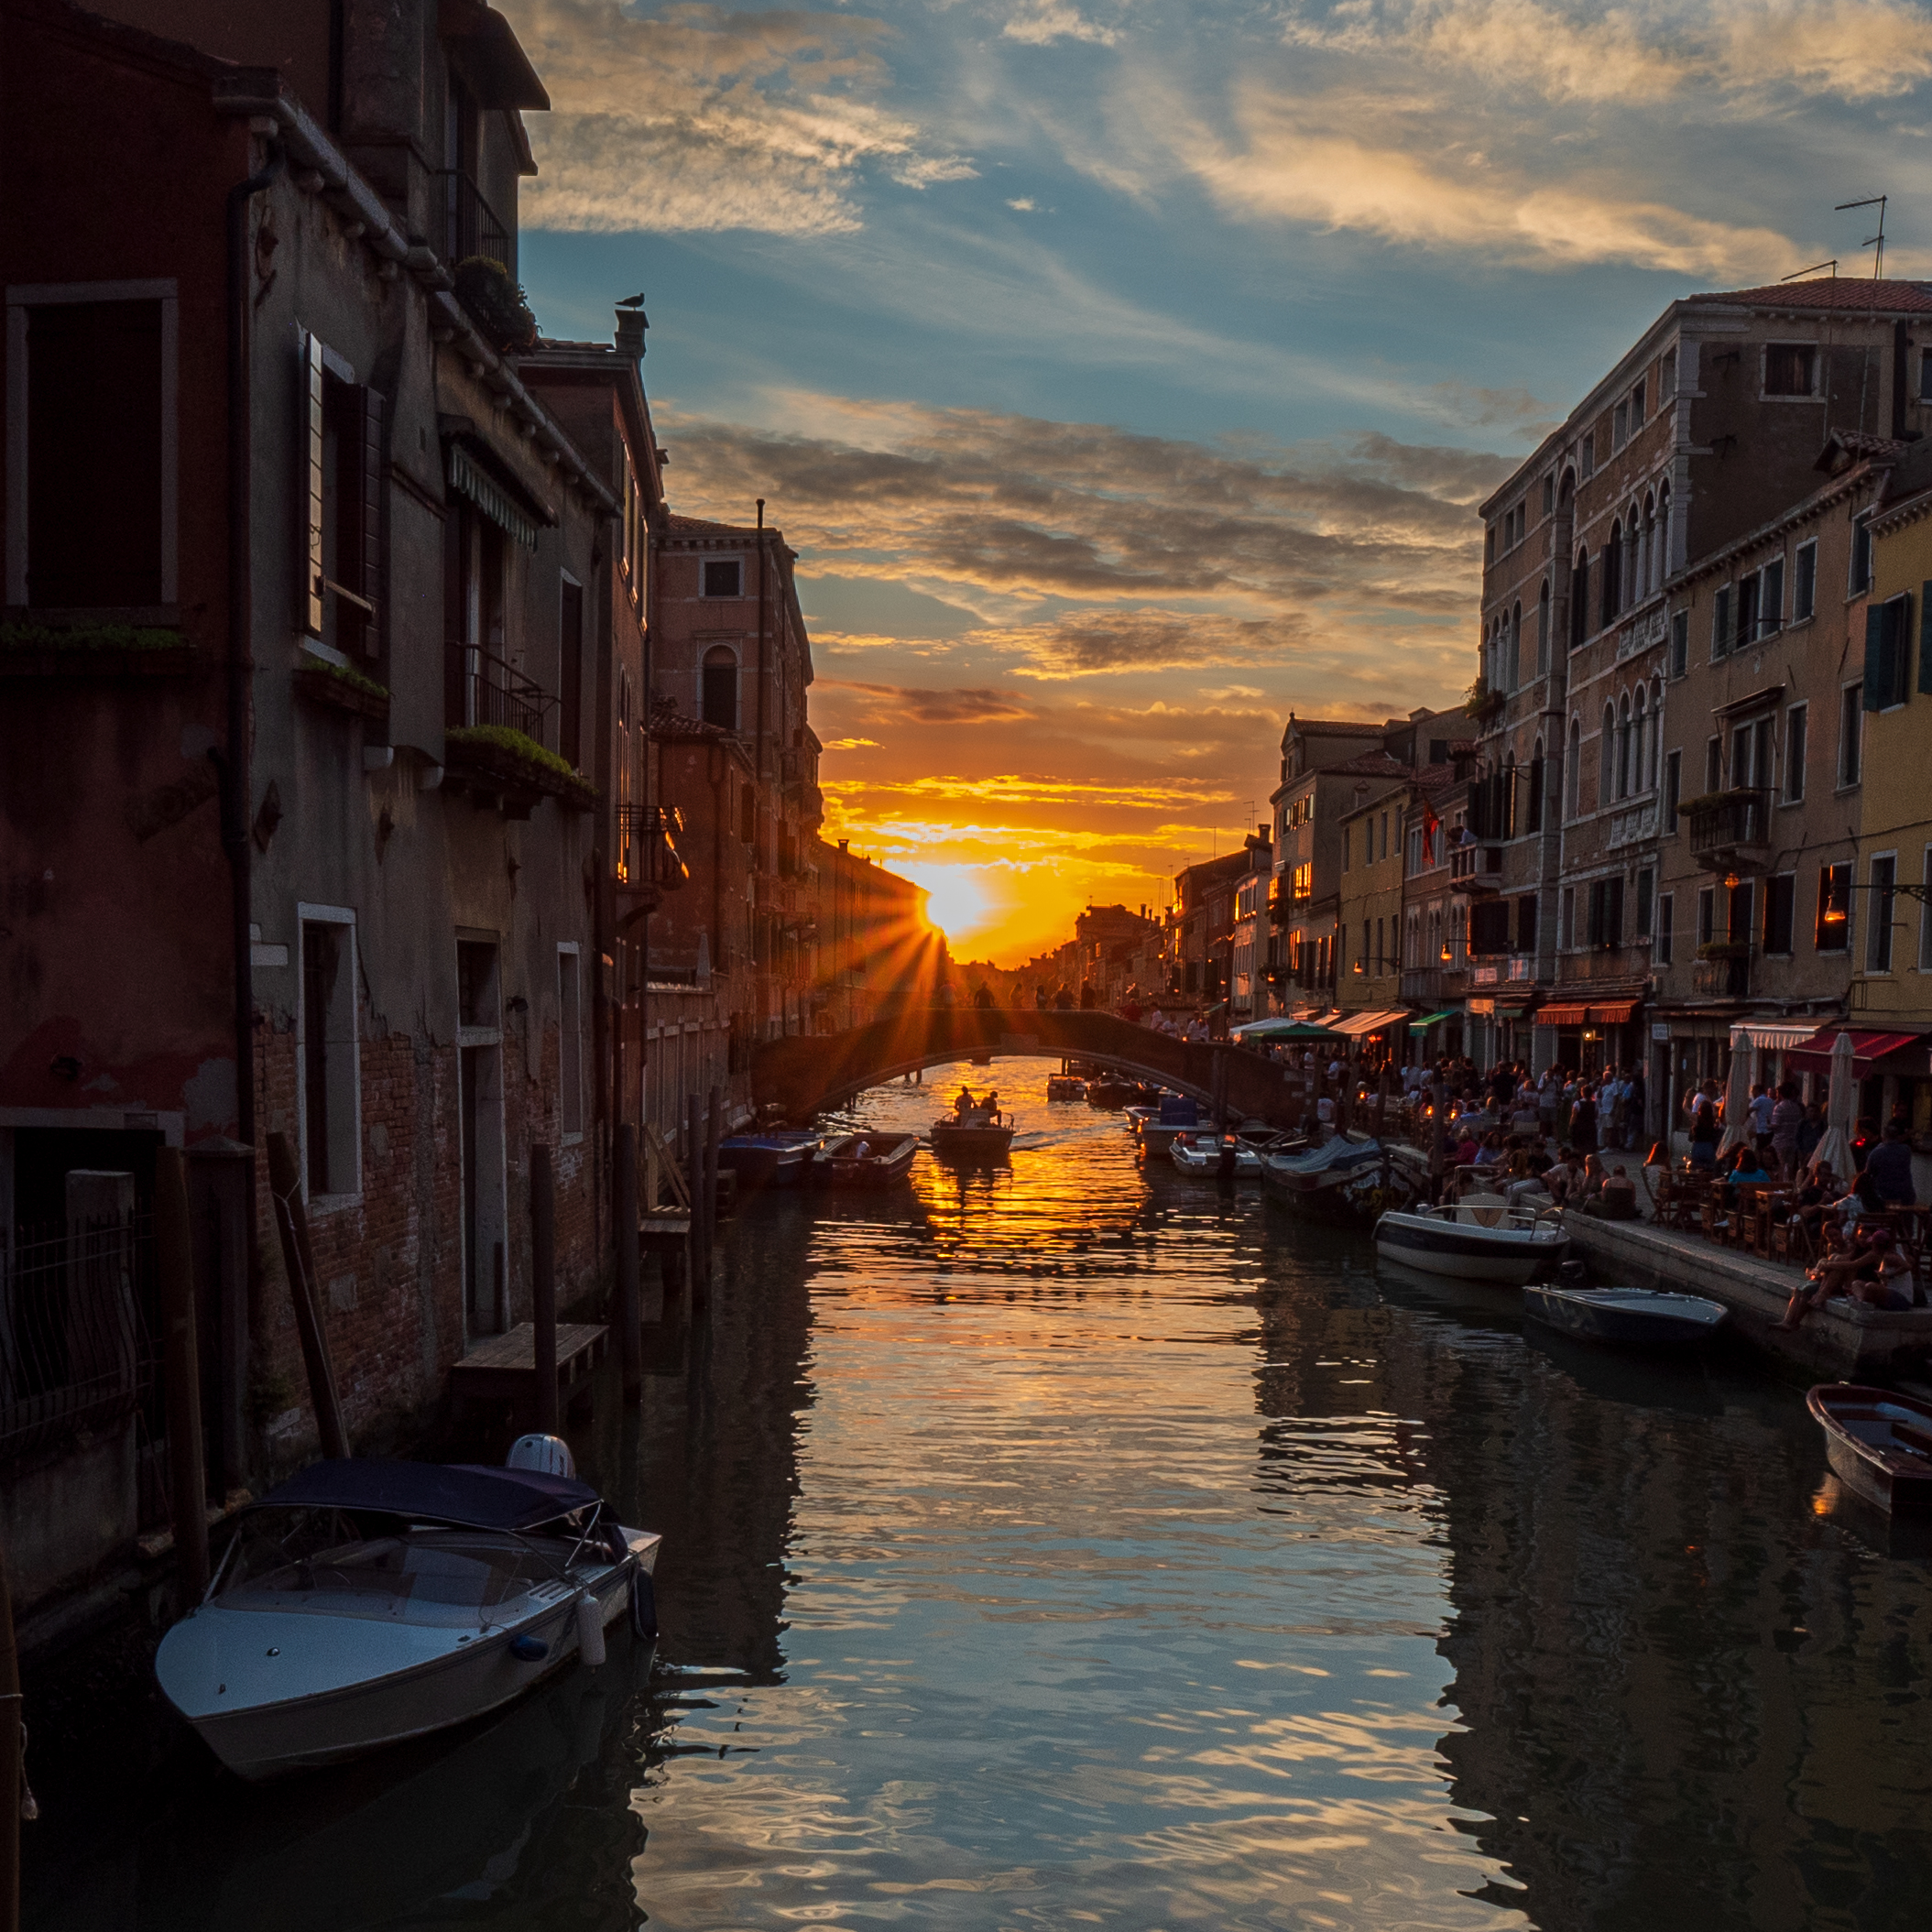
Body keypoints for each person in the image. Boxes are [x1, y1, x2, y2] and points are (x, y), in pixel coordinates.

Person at [1780, 1227, 1913, 1328]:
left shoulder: (1890, 1255)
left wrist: (1890, 1275)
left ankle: (1820, 1297)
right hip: (1881, 1292)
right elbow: (1850, 1263)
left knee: (1869, 1286)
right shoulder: (1869, 1253)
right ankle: (1860, 1302)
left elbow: (1907, 1266)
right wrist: (1828, 1265)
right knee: (1857, 1284)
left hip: (1900, 1298)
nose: (1868, 1243)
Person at [1865, 1120, 1916, 1204]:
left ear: (1883, 1137)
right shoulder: (1906, 1150)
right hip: (1905, 1196)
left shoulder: (1876, 1153)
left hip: (1883, 1195)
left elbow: (1867, 1173)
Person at [1769, 1084, 1804, 1178]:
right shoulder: (1796, 1107)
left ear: (1780, 1094)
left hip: (1780, 1141)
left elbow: (1775, 1125)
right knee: (1789, 1167)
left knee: (1780, 1165)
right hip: (1792, 1141)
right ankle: (1788, 1184)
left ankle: (1780, 1185)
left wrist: (1767, 1124)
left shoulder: (1779, 1107)